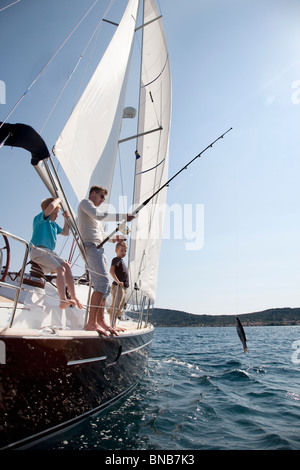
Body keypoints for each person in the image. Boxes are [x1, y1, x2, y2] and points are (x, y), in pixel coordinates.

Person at [77, 185, 134, 336]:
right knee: (101, 283)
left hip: (98, 248)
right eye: (102, 197)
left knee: (105, 286)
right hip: (90, 246)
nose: (103, 200)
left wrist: (116, 238)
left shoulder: (94, 217)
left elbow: (103, 236)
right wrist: (123, 216)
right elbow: (99, 215)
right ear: (93, 194)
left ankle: (101, 321)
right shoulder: (85, 204)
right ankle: (91, 323)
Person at [30, 197, 83, 309]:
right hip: (38, 251)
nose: (57, 215)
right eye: (55, 213)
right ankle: (62, 300)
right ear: (48, 211)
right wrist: (58, 199)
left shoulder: (53, 225)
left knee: (66, 266)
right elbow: (50, 207)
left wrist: (66, 219)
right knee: (60, 269)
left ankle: (73, 296)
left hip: (49, 253)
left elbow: (65, 232)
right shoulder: (39, 219)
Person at [107, 241, 129, 328]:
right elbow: (111, 271)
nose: (124, 253)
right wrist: (117, 281)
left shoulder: (121, 261)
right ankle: (112, 325)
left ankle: (114, 324)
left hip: (123, 287)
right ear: (116, 251)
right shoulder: (116, 260)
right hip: (118, 286)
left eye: (125, 251)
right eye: (121, 250)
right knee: (115, 306)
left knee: (119, 307)